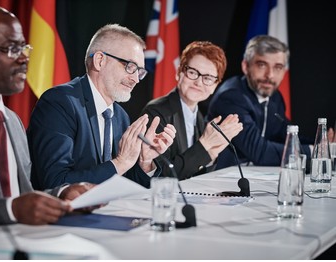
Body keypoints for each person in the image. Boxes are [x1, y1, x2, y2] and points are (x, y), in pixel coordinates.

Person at [0, 4, 97, 237]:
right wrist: (11, 211)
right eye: (11, 48)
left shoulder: (12, 121)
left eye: (24, 47)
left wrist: (60, 195)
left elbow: (21, 195)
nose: (24, 58)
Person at [27, 24, 176, 190]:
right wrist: (121, 162)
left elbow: (124, 185)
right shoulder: (60, 103)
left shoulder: (120, 116)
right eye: (130, 66)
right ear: (100, 61)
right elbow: (56, 182)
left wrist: (145, 161)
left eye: (139, 71)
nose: (136, 79)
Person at [207, 35, 313, 169]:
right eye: (262, 65)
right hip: (223, 179)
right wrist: (311, 150)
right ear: (246, 66)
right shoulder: (231, 97)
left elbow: (285, 136)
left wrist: (321, 143)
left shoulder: (275, 97)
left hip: (256, 175)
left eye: (278, 67)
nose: (270, 75)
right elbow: (259, 152)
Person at [141, 41, 243, 179]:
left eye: (208, 78)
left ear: (215, 86)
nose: (198, 82)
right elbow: (162, 173)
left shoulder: (199, 116)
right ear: (179, 73)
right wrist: (205, 144)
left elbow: (195, 173)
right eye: (193, 72)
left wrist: (212, 153)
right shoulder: (157, 112)